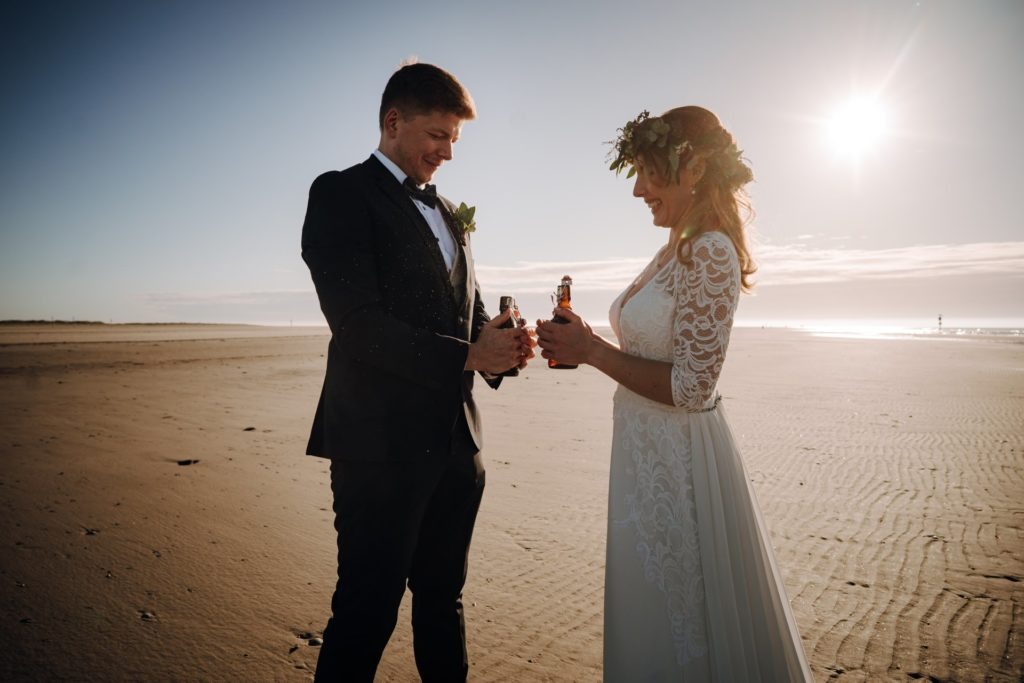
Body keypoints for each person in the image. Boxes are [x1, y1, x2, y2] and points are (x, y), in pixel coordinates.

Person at [536, 107, 813, 681]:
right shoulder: (674, 246)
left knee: (683, 621)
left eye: (648, 172)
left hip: (681, 467)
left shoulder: (710, 249)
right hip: (644, 456)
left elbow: (691, 386)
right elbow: (650, 347)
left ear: (697, 166)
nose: (637, 189)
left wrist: (590, 351)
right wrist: (584, 340)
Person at [300, 61, 534, 682]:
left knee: (442, 601)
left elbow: (470, 317)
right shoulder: (339, 193)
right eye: (437, 136)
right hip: (379, 446)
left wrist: (502, 348)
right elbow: (357, 325)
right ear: (393, 121)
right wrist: (467, 354)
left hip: (459, 446)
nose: (447, 153)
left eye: (454, 140)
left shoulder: (452, 212)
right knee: (367, 609)